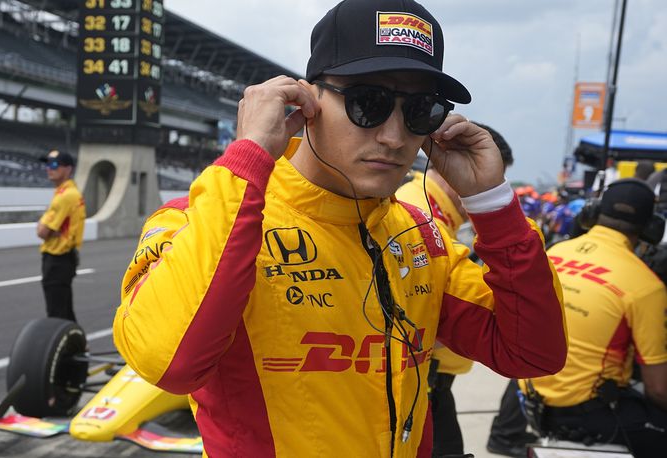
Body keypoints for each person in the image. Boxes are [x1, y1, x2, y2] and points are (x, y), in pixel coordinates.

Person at [113, 1, 567, 456]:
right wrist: (249, 154)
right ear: (307, 100)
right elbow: (169, 364)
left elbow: (532, 353)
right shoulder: (204, 221)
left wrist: (492, 203)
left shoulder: (418, 236)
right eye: (368, 103)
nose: (393, 136)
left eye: (420, 111)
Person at [522, 179, 667, 458]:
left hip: (532, 401)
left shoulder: (554, 253)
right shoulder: (646, 286)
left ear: (592, 212)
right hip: (589, 414)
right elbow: (658, 390)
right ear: (651, 229)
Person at [397, 122, 514, 456]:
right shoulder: (418, 214)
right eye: (492, 174)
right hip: (421, 377)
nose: (494, 184)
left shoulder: (432, 210)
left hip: (430, 376)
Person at [37, 149, 85, 322]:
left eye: (55, 165)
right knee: (65, 309)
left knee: (56, 312)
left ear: (68, 169)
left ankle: (64, 347)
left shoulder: (64, 197)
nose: (50, 168)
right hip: (66, 258)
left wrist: (45, 226)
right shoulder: (71, 193)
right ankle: (79, 346)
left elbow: (42, 232)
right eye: (48, 164)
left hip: (57, 258)